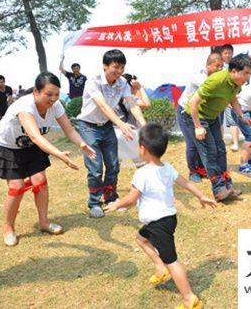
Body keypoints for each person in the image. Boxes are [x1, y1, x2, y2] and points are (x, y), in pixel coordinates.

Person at [104, 123, 217, 309]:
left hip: (159, 224)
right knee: (140, 238)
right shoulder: (168, 167)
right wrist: (201, 195)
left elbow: (132, 199)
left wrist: (116, 203)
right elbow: (185, 183)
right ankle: (160, 267)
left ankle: (190, 298)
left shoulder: (142, 174)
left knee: (172, 261)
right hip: (167, 220)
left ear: (142, 148)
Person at [0, 72, 96, 246]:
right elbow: (36, 137)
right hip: (8, 146)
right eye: (48, 94)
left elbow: (69, 130)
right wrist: (59, 155)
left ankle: (43, 222)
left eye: (56, 94)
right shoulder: (25, 106)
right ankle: (8, 228)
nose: (53, 99)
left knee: (40, 181)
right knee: (17, 187)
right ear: (36, 91)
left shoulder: (56, 106)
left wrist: (82, 145)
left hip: (30, 146)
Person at [77, 49, 146, 218]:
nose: (120, 71)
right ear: (105, 66)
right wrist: (121, 124)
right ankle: (94, 203)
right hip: (88, 126)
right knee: (95, 168)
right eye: (116, 67)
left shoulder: (122, 82)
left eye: (122, 67)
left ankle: (111, 198)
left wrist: (144, 126)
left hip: (107, 126)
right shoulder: (93, 81)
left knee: (113, 164)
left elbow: (131, 103)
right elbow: (102, 105)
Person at [183, 54, 251, 202]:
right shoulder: (216, 80)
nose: (247, 78)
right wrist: (197, 126)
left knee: (221, 150)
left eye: (250, 74)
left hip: (212, 116)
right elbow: (193, 103)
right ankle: (218, 190)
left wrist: (241, 115)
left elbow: (232, 99)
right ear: (234, 71)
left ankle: (227, 186)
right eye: (245, 73)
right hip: (196, 116)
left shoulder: (237, 84)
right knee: (210, 152)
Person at [177, 52, 223, 182]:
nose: (220, 69)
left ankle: (202, 169)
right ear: (208, 65)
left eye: (221, 66)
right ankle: (192, 171)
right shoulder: (200, 79)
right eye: (217, 66)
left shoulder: (215, 78)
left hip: (201, 113)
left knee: (203, 142)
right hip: (185, 112)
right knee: (192, 143)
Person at [219, 43, 251, 151]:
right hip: (222, 97)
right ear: (221, 55)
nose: (227, 55)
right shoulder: (220, 67)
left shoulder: (238, 63)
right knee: (218, 121)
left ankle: (236, 143)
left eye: (229, 53)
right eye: (225, 53)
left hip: (235, 97)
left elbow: (250, 58)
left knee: (233, 121)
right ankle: (220, 142)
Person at [115, 73, 151, 168]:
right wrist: (140, 88)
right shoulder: (129, 98)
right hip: (130, 134)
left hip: (115, 134)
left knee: (114, 165)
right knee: (141, 164)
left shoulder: (114, 96)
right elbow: (147, 104)